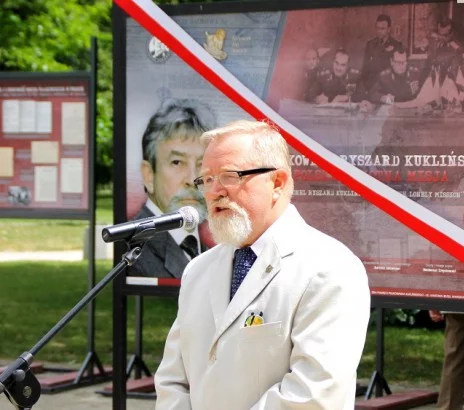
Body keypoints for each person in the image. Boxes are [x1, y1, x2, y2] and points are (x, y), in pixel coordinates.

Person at [154, 120, 370, 409]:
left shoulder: (330, 267)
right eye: (207, 179)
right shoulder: (198, 270)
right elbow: (172, 381)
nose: (215, 191)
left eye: (229, 176)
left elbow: (313, 393)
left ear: (277, 183)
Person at [131, 98, 216, 278]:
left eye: (202, 164)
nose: (192, 179)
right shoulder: (132, 253)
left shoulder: (211, 252)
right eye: (177, 162)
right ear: (148, 175)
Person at [355, 14, 403, 100]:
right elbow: (365, 68)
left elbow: (398, 70)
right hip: (371, 87)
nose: (379, 31)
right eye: (377, 28)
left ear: (389, 29)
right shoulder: (370, 44)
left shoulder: (396, 45)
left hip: (388, 88)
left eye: (382, 28)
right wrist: (366, 87)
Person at [360, 45, 420, 111]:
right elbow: (372, 94)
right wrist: (385, 98)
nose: (401, 66)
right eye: (398, 62)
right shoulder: (385, 76)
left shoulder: (414, 73)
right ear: (391, 62)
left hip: (411, 110)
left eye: (404, 62)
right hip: (392, 110)